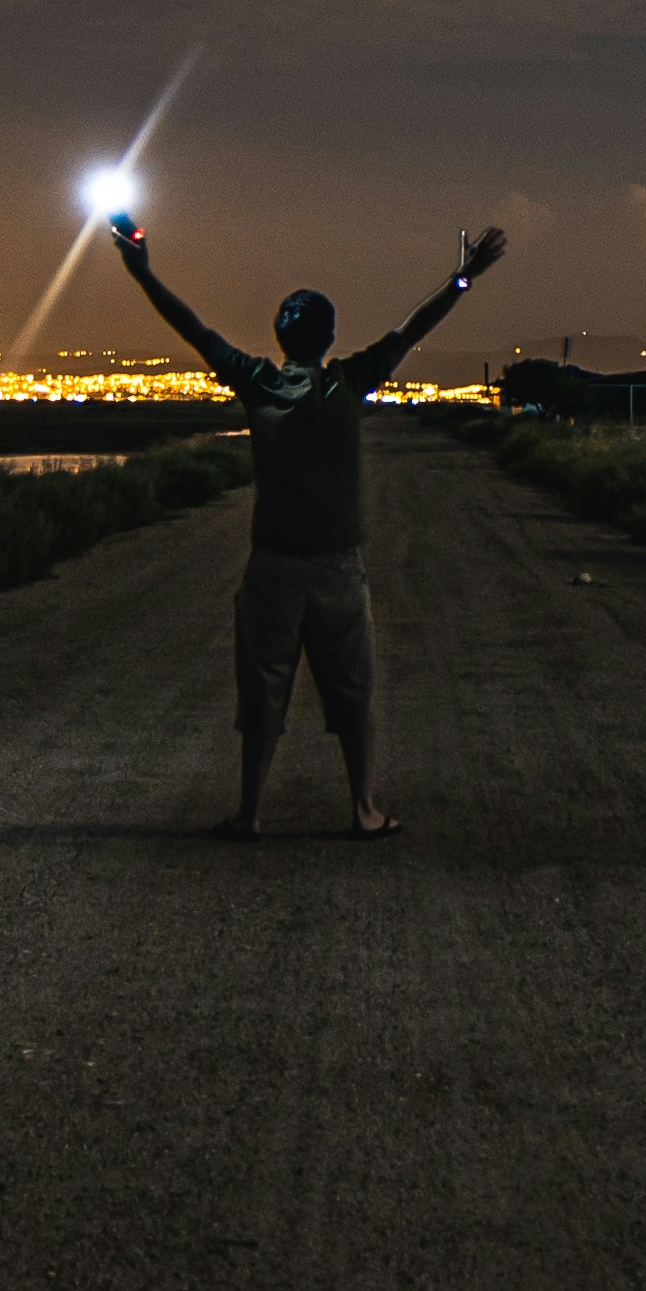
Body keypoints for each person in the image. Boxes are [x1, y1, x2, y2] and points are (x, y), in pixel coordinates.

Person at [108, 207, 506, 841]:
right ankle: (363, 810)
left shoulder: (259, 383)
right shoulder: (348, 383)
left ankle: (250, 814)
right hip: (337, 570)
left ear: (280, 335)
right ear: (330, 336)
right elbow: (411, 330)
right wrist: (462, 279)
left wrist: (142, 273)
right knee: (352, 694)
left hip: (272, 566)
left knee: (262, 693)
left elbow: (194, 329)